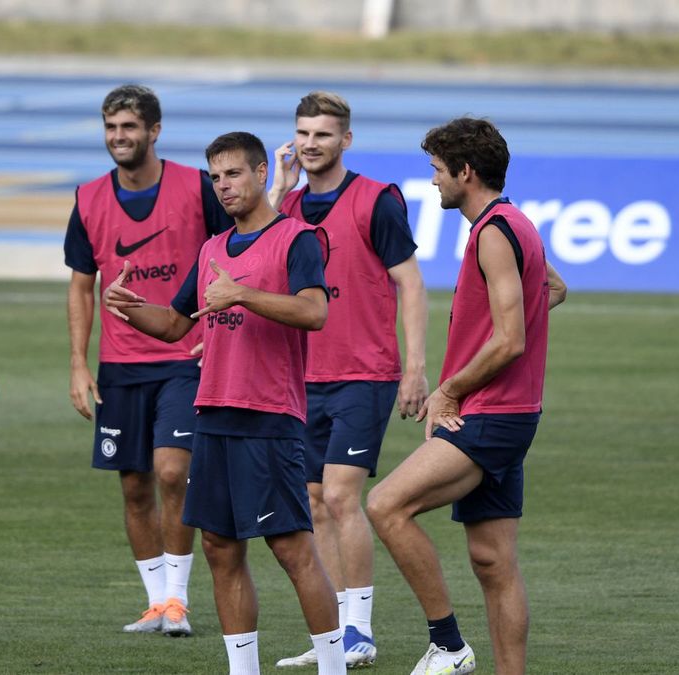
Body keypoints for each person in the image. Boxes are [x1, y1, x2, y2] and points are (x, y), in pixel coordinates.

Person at [103, 131, 346, 675]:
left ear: (263, 173)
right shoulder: (212, 249)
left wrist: (242, 294)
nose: (223, 186)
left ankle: (334, 668)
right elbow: (173, 324)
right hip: (212, 415)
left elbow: (314, 312)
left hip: (269, 418)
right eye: (215, 177)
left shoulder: (296, 238)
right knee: (218, 547)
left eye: (233, 174)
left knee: (291, 550)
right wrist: (128, 307)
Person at [365, 117, 567, 675]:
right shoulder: (515, 222)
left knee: (386, 505)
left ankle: (448, 644)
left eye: (437, 170)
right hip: (514, 411)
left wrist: (449, 391)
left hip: (492, 415)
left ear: (465, 172)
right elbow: (553, 287)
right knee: (492, 561)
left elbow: (510, 340)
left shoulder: (495, 233)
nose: (433, 182)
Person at [266, 91, 429, 669]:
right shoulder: (283, 210)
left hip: (365, 374)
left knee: (339, 495)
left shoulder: (376, 200)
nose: (311, 144)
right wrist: (278, 193)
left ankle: (359, 629)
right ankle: (335, 636)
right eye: (303, 134)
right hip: (299, 378)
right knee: (312, 501)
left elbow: (410, 283)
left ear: (346, 140)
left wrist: (414, 367)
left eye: (324, 134)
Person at [65, 84, 232, 636]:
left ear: (154, 131)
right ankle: (157, 603)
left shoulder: (196, 188)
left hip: (184, 356)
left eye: (129, 127)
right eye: (111, 128)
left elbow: (234, 254)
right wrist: (78, 363)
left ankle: (180, 602)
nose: (119, 137)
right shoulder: (88, 198)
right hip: (120, 365)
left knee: (172, 470)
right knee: (134, 486)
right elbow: (81, 285)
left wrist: (219, 332)